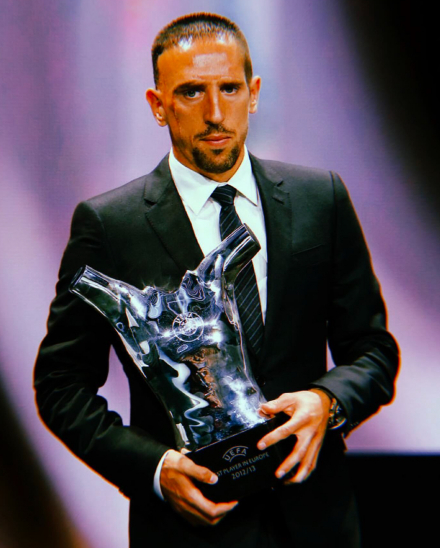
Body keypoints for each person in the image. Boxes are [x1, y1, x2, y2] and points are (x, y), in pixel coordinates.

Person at [34, 12, 399, 548]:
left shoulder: (319, 199)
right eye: (190, 92)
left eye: (229, 88)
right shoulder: (110, 226)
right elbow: (60, 384)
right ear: (158, 105)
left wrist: (327, 402)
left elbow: (373, 350)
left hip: (316, 522)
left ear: (253, 94)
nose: (214, 112)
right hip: (188, 530)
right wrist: (155, 469)